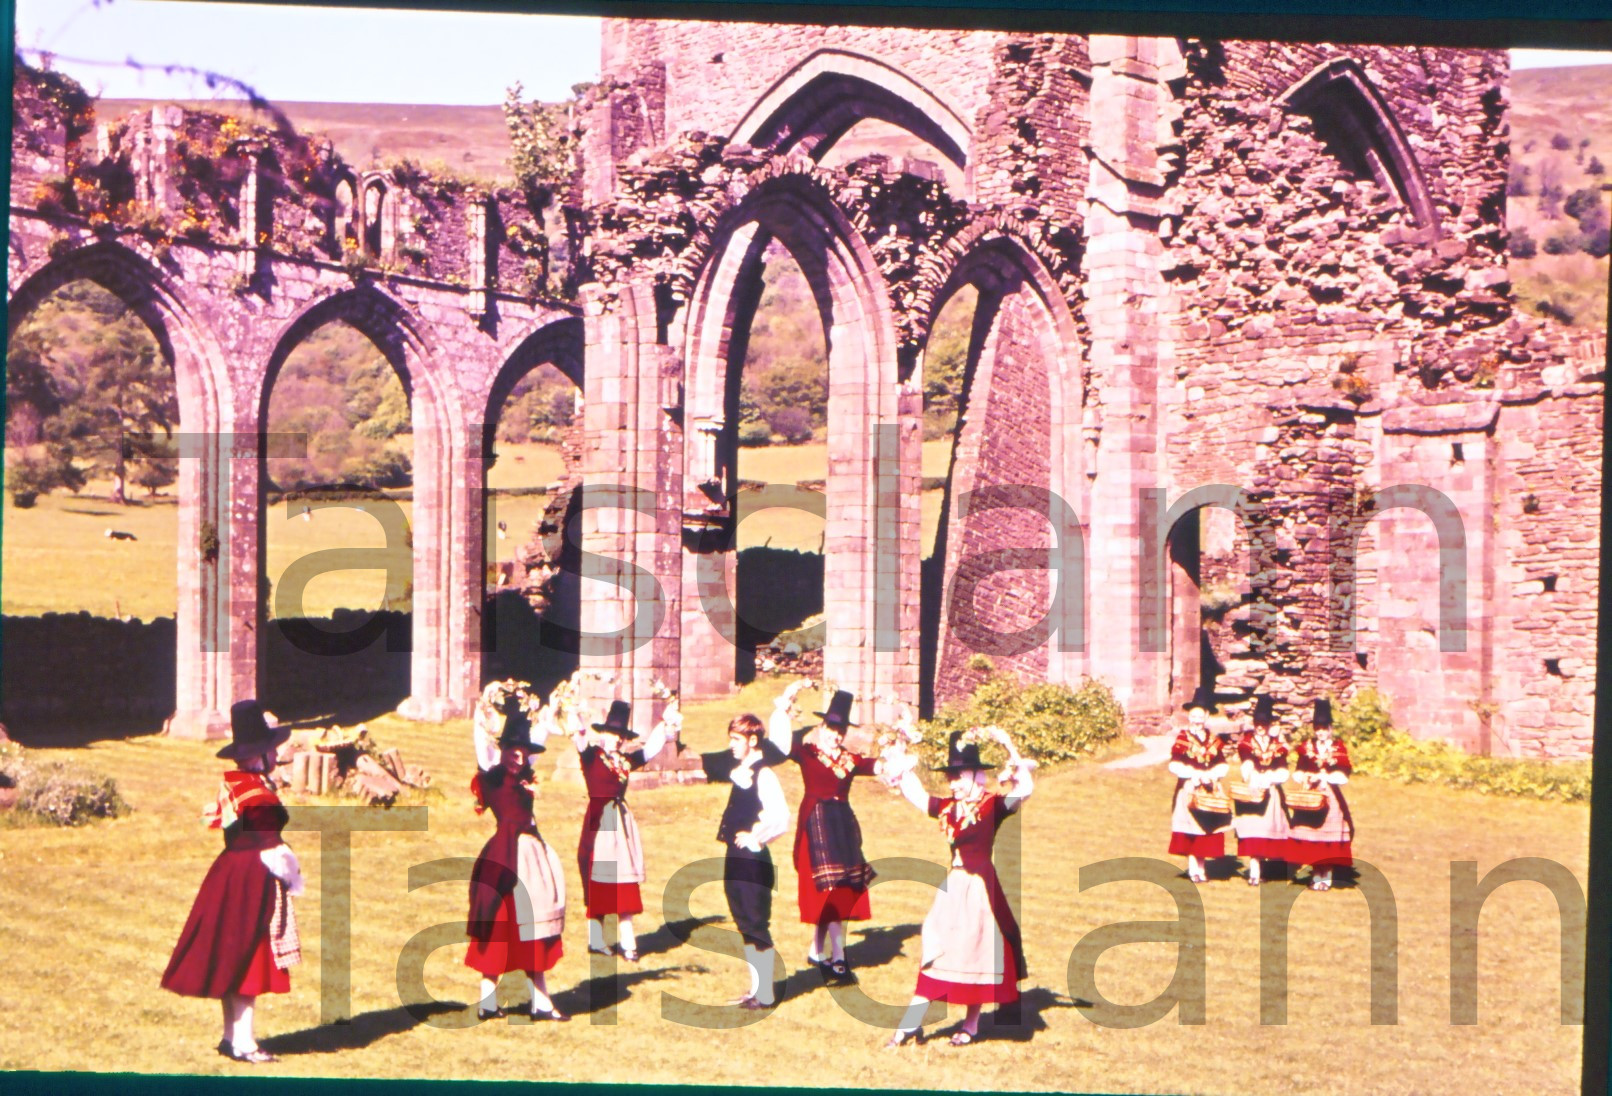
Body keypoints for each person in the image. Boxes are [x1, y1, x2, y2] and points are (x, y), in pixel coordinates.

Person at [162, 700, 302, 1064]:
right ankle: (245, 1043)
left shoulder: (237, 782)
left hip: (230, 874)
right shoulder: (258, 795)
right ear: (260, 754)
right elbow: (271, 844)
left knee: (232, 953)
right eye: (272, 748)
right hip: (252, 878)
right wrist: (291, 873)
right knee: (249, 957)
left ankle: (231, 1038)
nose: (276, 753)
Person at [883, 726, 1034, 1048]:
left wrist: (1010, 747)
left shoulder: (992, 806)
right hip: (954, 886)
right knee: (934, 945)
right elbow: (919, 797)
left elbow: (1025, 789)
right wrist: (901, 758)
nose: (953, 783)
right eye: (950, 777)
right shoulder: (949, 808)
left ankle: (970, 1024)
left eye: (959, 776)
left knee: (975, 953)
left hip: (980, 889)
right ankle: (910, 1024)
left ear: (976, 776)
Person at [466, 687, 569, 1021]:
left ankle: (540, 1001)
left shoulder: (527, 774)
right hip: (504, 858)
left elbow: (539, 734)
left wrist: (547, 709)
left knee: (535, 927)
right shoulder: (494, 777)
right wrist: (483, 711)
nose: (518, 756)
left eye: (523, 750)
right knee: (498, 926)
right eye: (512, 749)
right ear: (503, 749)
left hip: (531, 857)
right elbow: (482, 746)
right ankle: (487, 1001)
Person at [767, 682, 880, 984]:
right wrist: (787, 702)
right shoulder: (807, 753)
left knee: (840, 888)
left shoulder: (850, 760)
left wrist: (901, 744)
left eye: (840, 731)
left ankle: (819, 952)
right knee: (827, 890)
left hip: (842, 826)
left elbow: (880, 767)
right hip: (815, 824)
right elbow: (779, 743)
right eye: (831, 728)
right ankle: (839, 959)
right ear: (822, 726)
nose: (836, 734)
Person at [567, 697, 677, 962]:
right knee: (596, 881)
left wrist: (666, 720)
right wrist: (570, 706)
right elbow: (578, 736)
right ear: (602, 734)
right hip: (597, 824)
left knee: (624, 883)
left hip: (619, 823)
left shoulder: (625, 762)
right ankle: (596, 939)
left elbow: (650, 750)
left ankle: (629, 944)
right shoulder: (591, 757)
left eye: (619, 735)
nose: (615, 739)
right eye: (611, 733)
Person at [699, 713, 791, 1010]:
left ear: (753, 740)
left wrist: (755, 836)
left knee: (755, 923)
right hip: (735, 855)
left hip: (753, 859)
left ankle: (766, 993)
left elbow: (781, 816)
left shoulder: (764, 774)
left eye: (736, 739)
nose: (731, 745)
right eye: (731, 738)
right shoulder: (742, 770)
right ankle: (756, 989)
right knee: (743, 922)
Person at [1289, 698, 1355, 891]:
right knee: (1313, 835)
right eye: (1317, 728)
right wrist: (1306, 776)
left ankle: (1326, 877)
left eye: (1324, 728)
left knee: (1328, 837)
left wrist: (1330, 776)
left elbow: (1344, 771)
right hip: (1311, 797)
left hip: (1331, 797)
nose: (1321, 732)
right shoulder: (1307, 748)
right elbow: (1299, 769)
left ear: (1330, 729)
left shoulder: (1338, 748)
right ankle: (1316, 874)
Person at [1168, 685, 1231, 884]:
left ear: (1206, 717)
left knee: (1205, 830)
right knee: (1191, 830)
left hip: (1209, 789)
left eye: (1200, 715)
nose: (1196, 719)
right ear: (1189, 717)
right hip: (1189, 789)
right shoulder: (1183, 738)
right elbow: (1175, 763)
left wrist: (1212, 775)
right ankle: (1193, 868)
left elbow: (1222, 764)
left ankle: (1202, 869)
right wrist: (1192, 775)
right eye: (1193, 716)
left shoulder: (1213, 740)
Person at [1231, 694, 1294, 886]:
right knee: (1253, 828)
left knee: (1269, 829)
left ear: (1269, 724)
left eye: (1264, 723)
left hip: (1272, 790)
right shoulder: (1247, 742)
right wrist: (1252, 776)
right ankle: (1254, 872)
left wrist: (1271, 778)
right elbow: (1247, 761)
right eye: (1258, 722)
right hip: (1254, 790)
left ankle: (1268, 868)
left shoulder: (1277, 744)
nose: (1260, 726)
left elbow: (1282, 767)